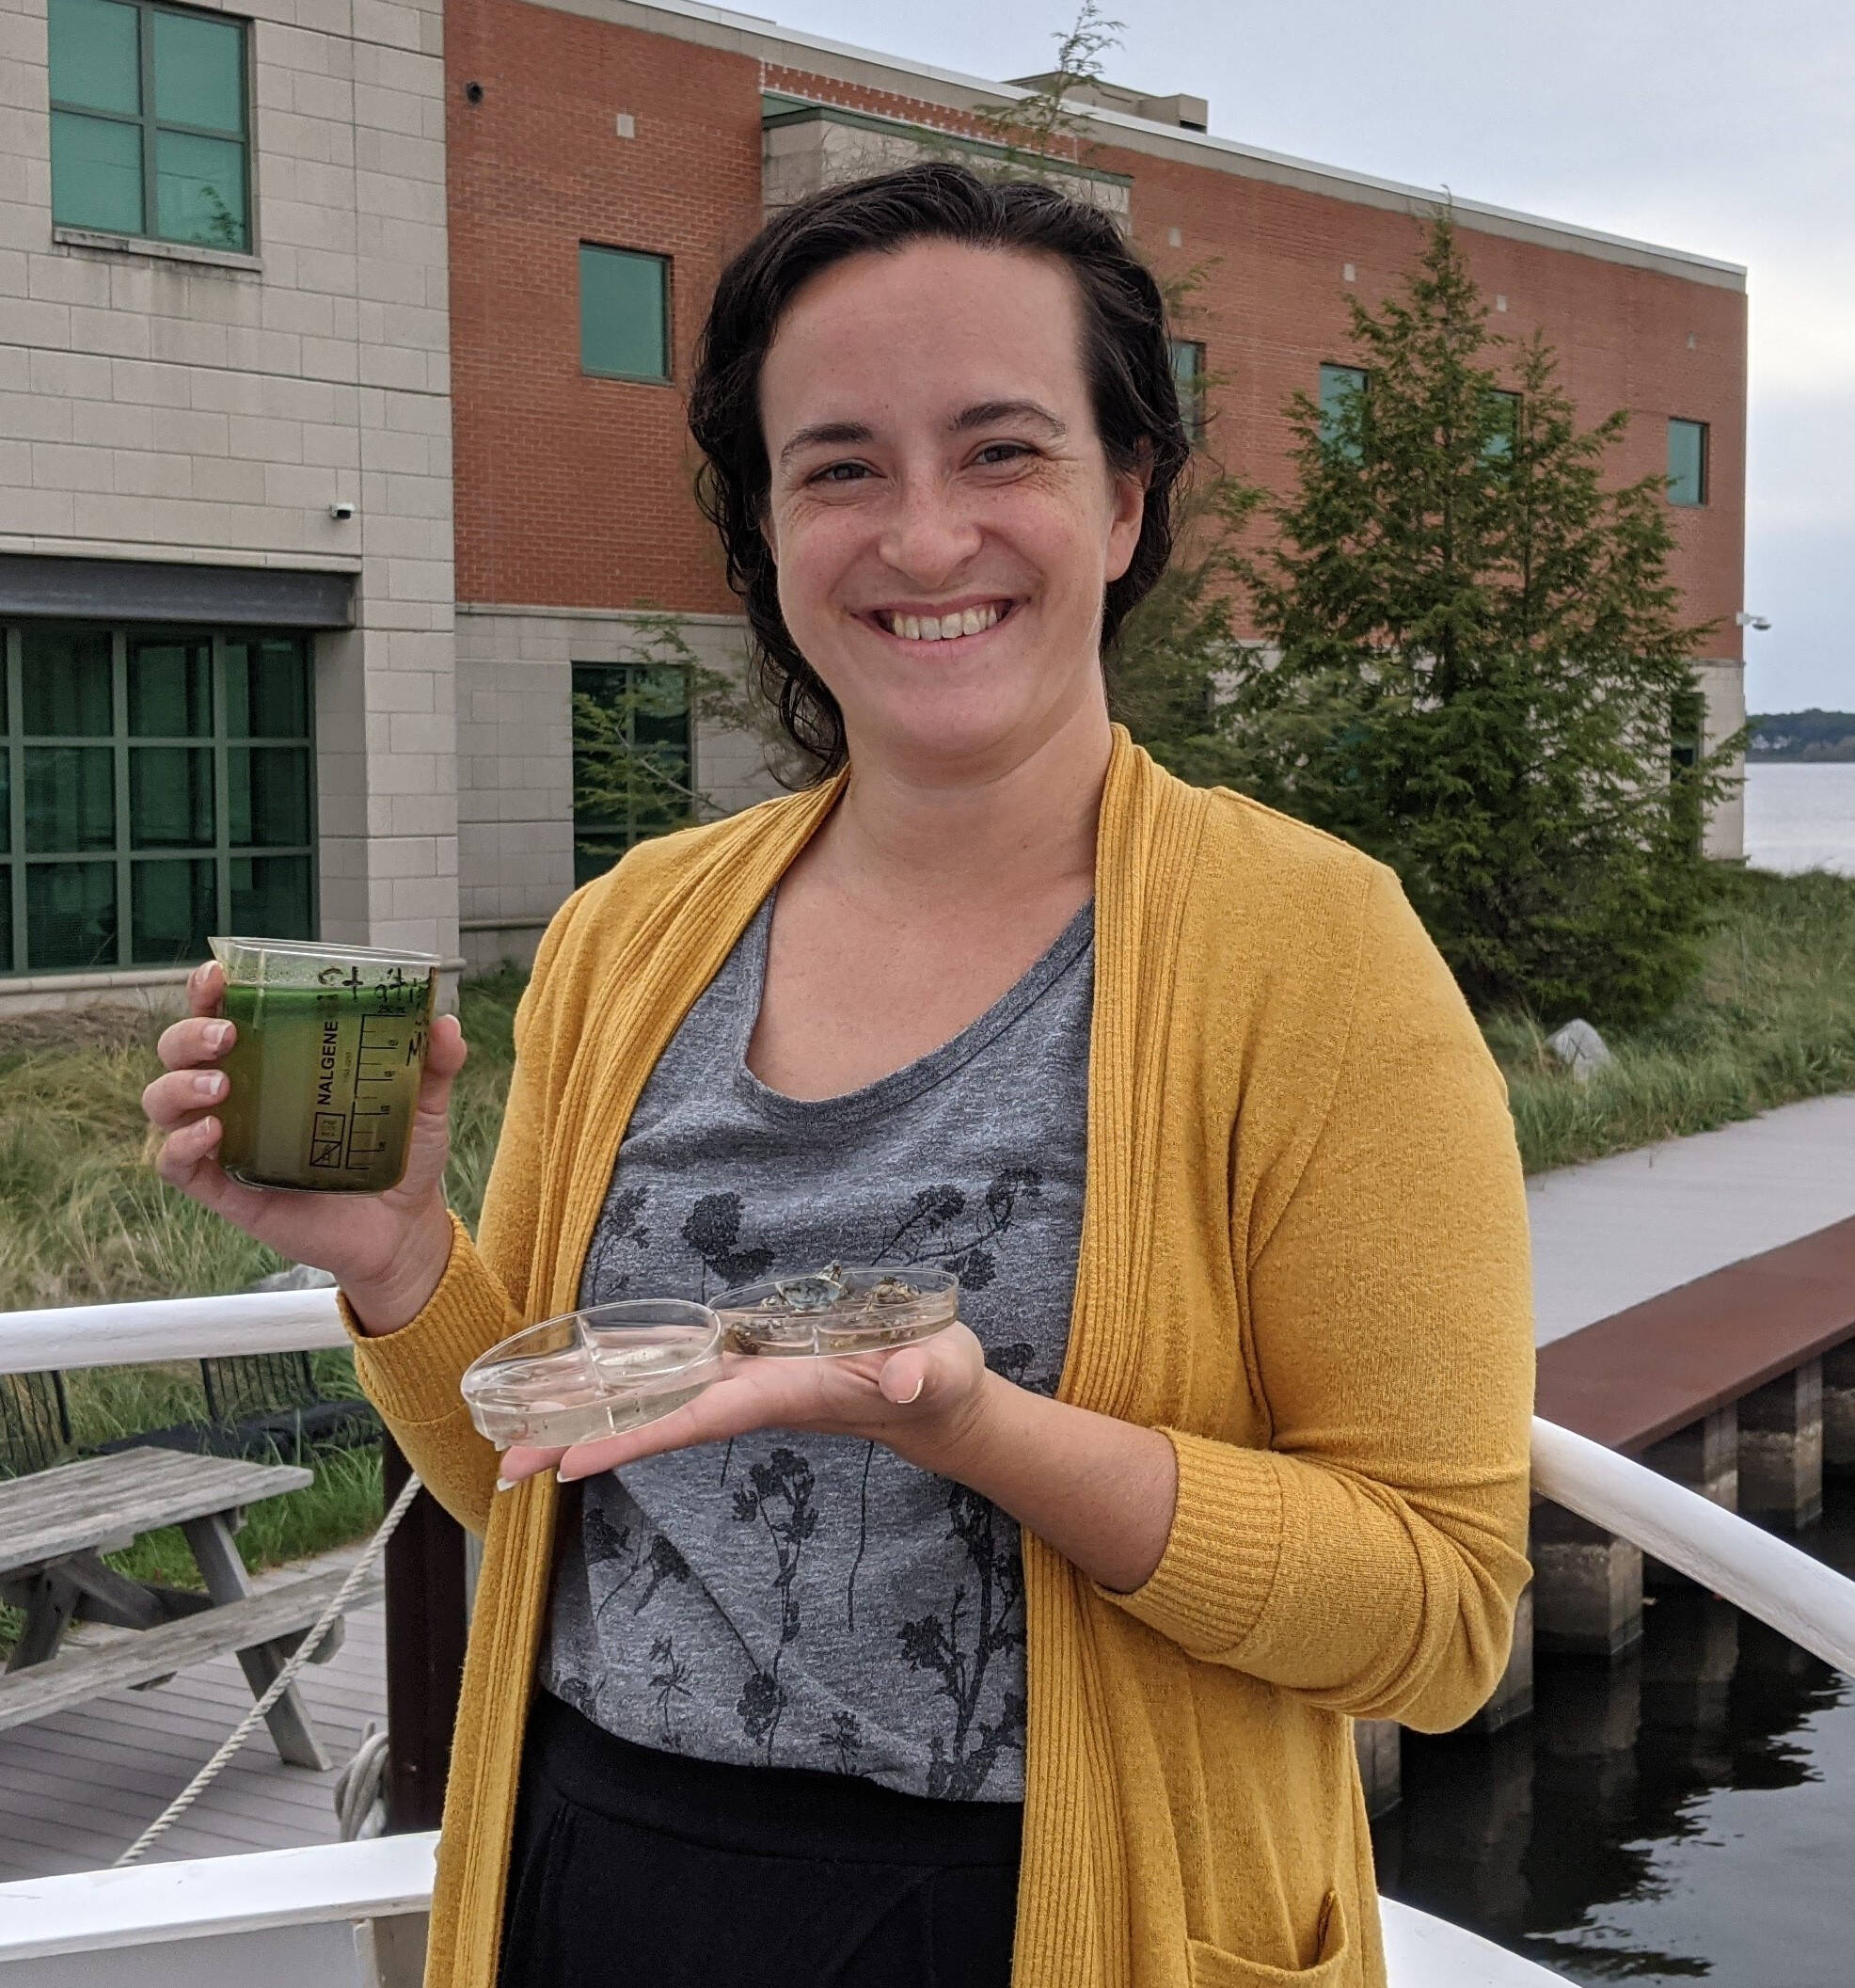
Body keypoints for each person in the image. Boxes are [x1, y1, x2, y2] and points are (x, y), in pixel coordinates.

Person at [143, 163, 1534, 1988]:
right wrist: (400, 1260)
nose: (924, 535)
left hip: (1050, 1917)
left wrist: (965, 1423)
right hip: (594, 1877)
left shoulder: (1312, 951)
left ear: (1124, 501)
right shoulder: (631, 933)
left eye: (1000, 451)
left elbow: (1433, 1618)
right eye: (841, 466)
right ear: (768, 532)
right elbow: (551, 1488)